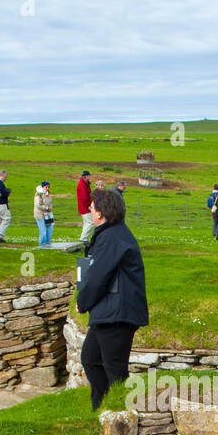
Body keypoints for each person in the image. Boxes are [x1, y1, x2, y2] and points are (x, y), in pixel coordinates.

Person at [77, 187, 148, 410]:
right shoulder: (112, 234)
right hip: (111, 312)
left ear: (100, 213)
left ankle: (122, 417)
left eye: (91, 207)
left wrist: (83, 301)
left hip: (117, 314)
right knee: (90, 359)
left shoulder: (112, 237)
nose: (89, 210)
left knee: (115, 370)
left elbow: (98, 277)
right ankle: (101, 409)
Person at [0, 169, 12, 243]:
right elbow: (2, 193)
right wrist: (7, 192)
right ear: (2, 175)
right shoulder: (0, 183)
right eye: (5, 176)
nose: (6, 178)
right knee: (7, 218)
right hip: (1, 203)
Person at [34, 180, 54, 246]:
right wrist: (46, 208)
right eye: (46, 187)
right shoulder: (38, 194)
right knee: (43, 230)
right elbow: (38, 205)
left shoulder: (49, 195)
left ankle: (47, 243)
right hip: (39, 215)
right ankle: (42, 244)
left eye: (48, 187)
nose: (47, 188)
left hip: (48, 215)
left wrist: (50, 208)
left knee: (50, 229)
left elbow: (50, 203)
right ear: (43, 187)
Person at [77, 170, 94, 242]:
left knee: (86, 223)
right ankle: (83, 238)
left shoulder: (85, 184)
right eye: (89, 175)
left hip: (84, 207)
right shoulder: (82, 185)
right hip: (85, 207)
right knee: (91, 222)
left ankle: (84, 238)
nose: (90, 176)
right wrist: (90, 205)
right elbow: (84, 198)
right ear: (85, 176)